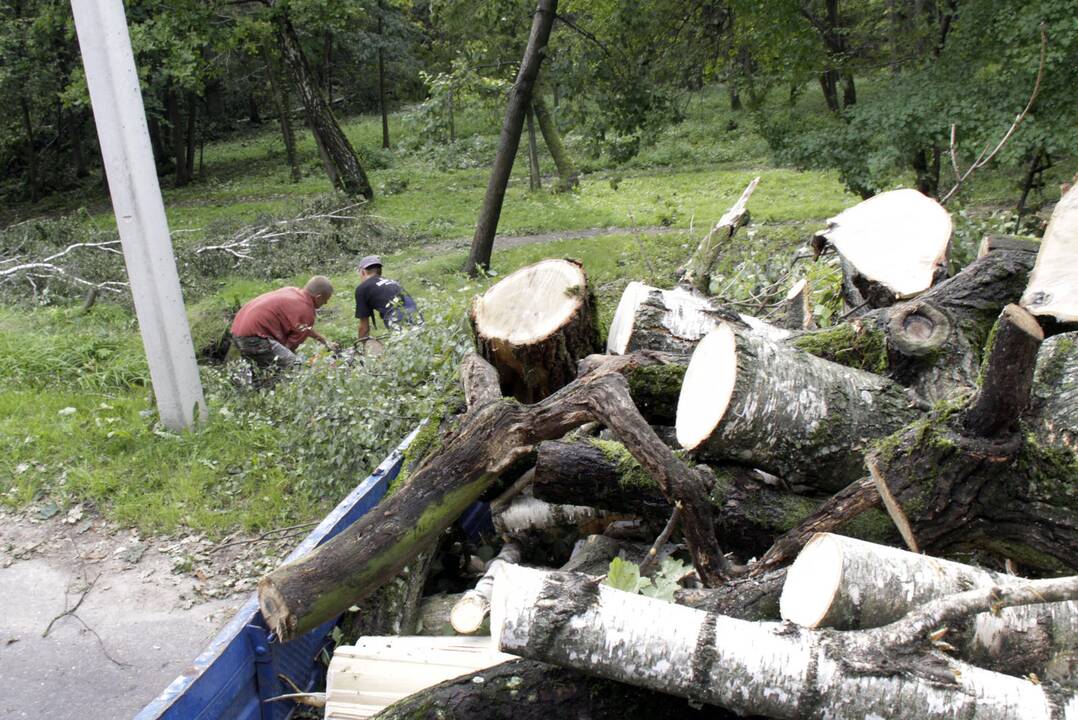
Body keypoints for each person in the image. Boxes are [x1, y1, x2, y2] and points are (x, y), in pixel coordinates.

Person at [230, 276, 339, 385]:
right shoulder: (306, 310)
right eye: (326, 300)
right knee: (296, 368)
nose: (326, 303)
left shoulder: (293, 291)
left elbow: (303, 327)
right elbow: (289, 347)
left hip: (237, 330)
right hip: (254, 338)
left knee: (260, 367)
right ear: (318, 297)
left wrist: (324, 341)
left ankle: (252, 388)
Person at [354, 255, 421, 343]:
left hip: (397, 315)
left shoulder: (362, 288)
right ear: (380, 271)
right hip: (416, 313)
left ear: (362, 272)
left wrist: (361, 346)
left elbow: (364, 326)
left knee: (403, 345)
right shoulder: (392, 282)